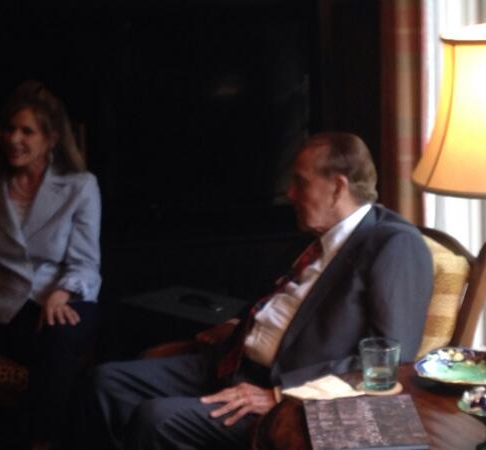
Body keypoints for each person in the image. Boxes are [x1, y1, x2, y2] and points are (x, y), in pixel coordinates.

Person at [90, 132, 434, 450]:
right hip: (233, 361)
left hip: (284, 393)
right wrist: (237, 327)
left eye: (300, 182)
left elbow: (390, 360)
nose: (290, 194)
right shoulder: (316, 239)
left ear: (337, 187)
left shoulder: (393, 244)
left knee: (156, 419)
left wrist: (283, 394)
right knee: (107, 383)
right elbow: (280, 305)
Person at [0, 80, 101, 450]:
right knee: (56, 351)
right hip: (8, 307)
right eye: (10, 129)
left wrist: (61, 293)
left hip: (68, 295)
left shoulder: (80, 186)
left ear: (51, 138)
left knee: (60, 335)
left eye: (27, 131)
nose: (14, 139)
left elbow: (87, 262)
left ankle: (37, 442)